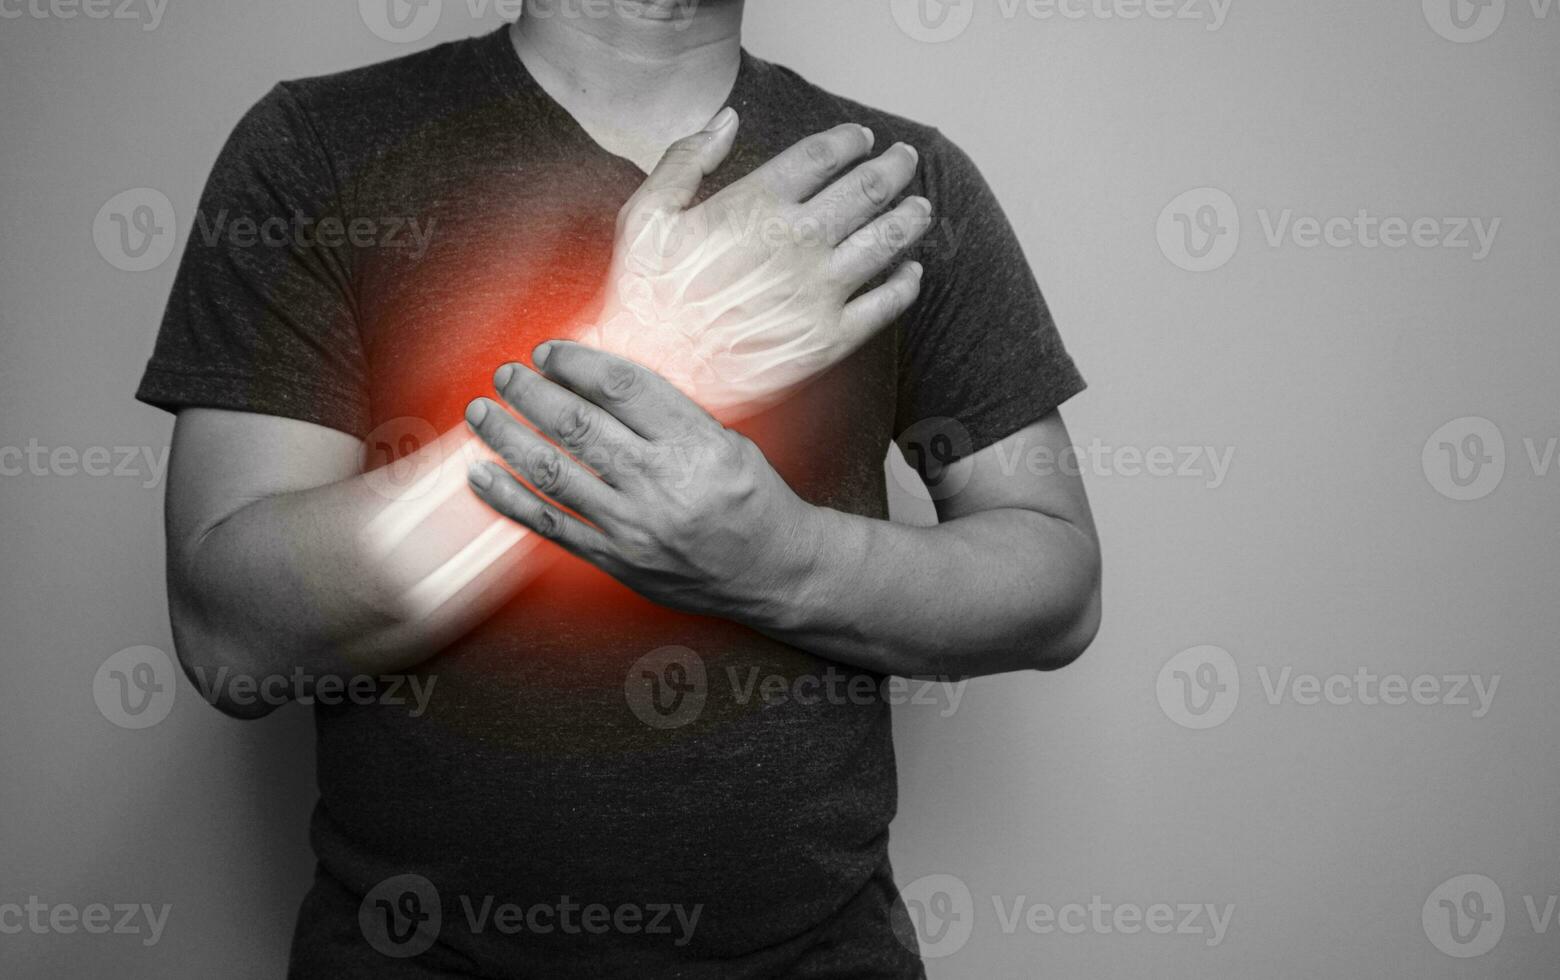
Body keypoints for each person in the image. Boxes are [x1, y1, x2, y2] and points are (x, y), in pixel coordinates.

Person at [137, 1, 1101, 975]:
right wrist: (651, 352)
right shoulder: (315, 148)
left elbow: (1055, 582)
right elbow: (231, 636)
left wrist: (782, 561)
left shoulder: (894, 184)